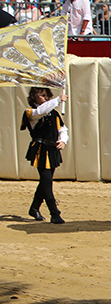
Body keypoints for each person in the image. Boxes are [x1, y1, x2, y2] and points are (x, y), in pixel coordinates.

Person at [21, 86, 69, 223]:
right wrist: (58, 100)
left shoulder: (54, 113)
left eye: (45, 95)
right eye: (40, 95)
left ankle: (34, 208)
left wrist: (63, 141)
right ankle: (54, 212)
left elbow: (63, 129)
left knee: (45, 182)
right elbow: (41, 111)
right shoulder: (31, 112)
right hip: (40, 150)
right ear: (34, 98)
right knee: (47, 181)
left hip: (52, 150)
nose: (43, 97)